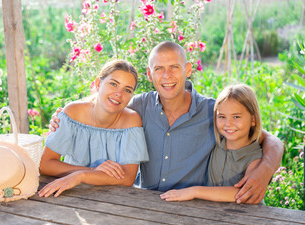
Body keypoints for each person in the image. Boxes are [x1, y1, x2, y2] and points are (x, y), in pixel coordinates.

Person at [50, 41, 283, 204]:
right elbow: (107, 101)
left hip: (194, 206)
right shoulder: (138, 107)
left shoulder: (213, 111)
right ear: (150, 75)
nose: (166, 76)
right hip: (143, 202)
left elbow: (269, 139)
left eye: (174, 67)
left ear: (188, 70)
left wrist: (264, 171)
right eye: (159, 69)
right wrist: (64, 116)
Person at [38, 59, 149, 198]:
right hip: (72, 193)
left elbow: (127, 178)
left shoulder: (131, 120)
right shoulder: (73, 113)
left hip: (116, 199)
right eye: (113, 84)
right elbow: (45, 165)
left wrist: (81, 175)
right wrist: (92, 170)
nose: (119, 94)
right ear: (98, 84)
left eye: (127, 90)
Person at [160, 83, 263, 202]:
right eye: (222, 117)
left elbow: (243, 192)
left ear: (253, 120)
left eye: (236, 117)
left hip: (248, 218)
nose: (228, 124)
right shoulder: (216, 142)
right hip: (211, 214)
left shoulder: (255, 158)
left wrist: (194, 191)